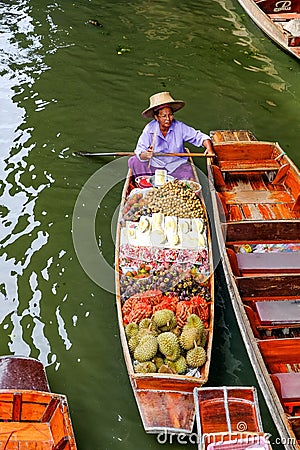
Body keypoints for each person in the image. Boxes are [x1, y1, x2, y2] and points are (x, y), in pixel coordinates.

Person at [128, 91, 215, 180]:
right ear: (156, 117)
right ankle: (147, 184)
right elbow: (139, 151)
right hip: (156, 165)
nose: (168, 119)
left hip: (176, 165)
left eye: (170, 115)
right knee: (134, 161)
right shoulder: (149, 129)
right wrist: (146, 155)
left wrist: (209, 148)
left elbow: (199, 137)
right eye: (164, 116)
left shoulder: (179, 127)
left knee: (188, 180)